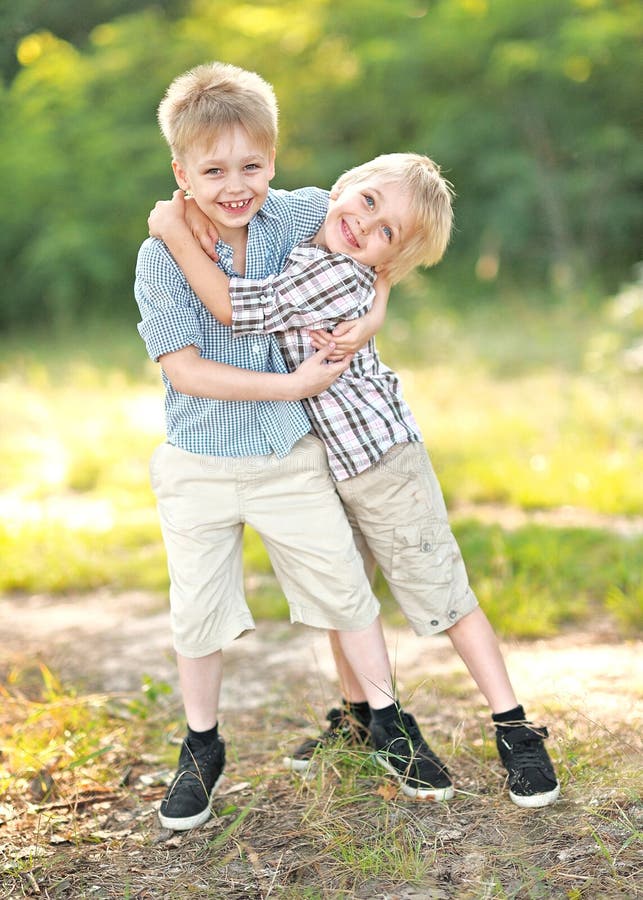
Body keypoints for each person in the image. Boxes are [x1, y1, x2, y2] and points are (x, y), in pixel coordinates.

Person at [147, 151, 561, 810]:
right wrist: (185, 211)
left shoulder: (331, 273)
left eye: (386, 233)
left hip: (382, 463)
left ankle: (514, 728)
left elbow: (230, 305)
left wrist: (170, 228)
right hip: (323, 459)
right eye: (366, 202)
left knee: (442, 594)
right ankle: (358, 719)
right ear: (343, 188)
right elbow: (260, 196)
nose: (365, 226)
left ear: (387, 258)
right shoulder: (307, 222)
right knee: (347, 596)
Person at [135, 62, 458, 833]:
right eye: (212, 171)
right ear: (182, 172)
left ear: (273, 162)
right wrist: (293, 387)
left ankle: (385, 722)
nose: (234, 185)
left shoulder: (296, 213)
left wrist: (374, 313)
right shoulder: (160, 256)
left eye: (251, 166)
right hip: (200, 460)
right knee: (197, 611)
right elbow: (185, 369)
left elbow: (381, 240)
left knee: (343, 589)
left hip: (290, 454)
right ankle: (201, 747)